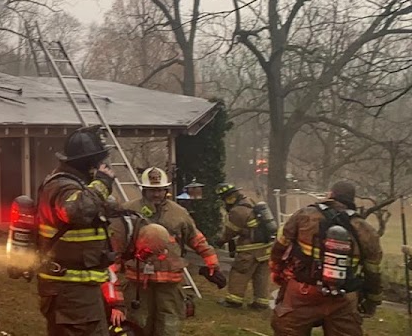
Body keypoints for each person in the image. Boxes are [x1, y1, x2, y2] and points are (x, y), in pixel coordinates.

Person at [110, 168, 224, 336]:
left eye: (159, 190)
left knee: (169, 321)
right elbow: (117, 242)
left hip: (170, 279)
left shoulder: (179, 213)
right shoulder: (129, 210)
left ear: (166, 191)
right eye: (151, 190)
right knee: (138, 320)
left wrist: (211, 262)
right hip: (138, 279)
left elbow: (196, 238)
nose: (156, 194)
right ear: (144, 190)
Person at [36, 128, 125, 336]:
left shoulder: (79, 186)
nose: (102, 165)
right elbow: (74, 212)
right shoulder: (60, 186)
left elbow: (99, 207)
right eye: (98, 160)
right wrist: (102, 184)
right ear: (87, 162)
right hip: (70, 291)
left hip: (81, 290)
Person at [269, 180, 383, 336]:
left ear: (331, 195)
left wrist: (277, 270)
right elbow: (373, 271)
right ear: (352, 200)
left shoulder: (305, 215)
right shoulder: (366, 229)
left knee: (288, 331)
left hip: (302, 291)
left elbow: (280, 246)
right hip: (344, 298)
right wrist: (372, 300)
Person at [214, 183, 273, 309]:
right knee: (261, 275)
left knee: (239, 273)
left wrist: (218, 242)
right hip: (265, 248)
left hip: (249, 250)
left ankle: (233, 300)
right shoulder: (250, 201)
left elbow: (229, 233)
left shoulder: (237, 211)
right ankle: (261, 302)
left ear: (229, 198)